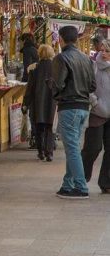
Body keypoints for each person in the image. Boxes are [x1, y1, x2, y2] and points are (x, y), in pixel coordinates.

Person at [51, 25, 96, 199]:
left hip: (69, 106)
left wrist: (51, 85)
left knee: (72, 149)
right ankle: (68, 184)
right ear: (76, 39)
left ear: (61, 39)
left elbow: (58, 85)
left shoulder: (62, 58)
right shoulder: (86, 59)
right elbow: (93, 86)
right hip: (84, 107)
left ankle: (81, 186)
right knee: (74, 147)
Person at [81, 39, 110, 193]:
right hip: (97, 113)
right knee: (93, 147)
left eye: (107, 51)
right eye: (102, 50)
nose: (103, 53)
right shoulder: (94, 66)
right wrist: (95, 103)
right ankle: (80, 178)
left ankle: (106, 183)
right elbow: (87, 86)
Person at [24, 44, 57, 162]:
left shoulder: (35, 69)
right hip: (52, 103)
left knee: (39, 128)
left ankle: (41, 152)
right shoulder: (56, 68)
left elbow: (30, 88)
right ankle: (50, 153)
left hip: (37, 103)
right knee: (50, 127)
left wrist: (25, 103)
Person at [20, 32, 40, 148]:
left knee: (33, 113)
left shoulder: (27, 50)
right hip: (37, 85)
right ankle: (37, 139)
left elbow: (27, 67)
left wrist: (24, 80)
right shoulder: (34, 48)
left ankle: (34, 138)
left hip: (31, 83)